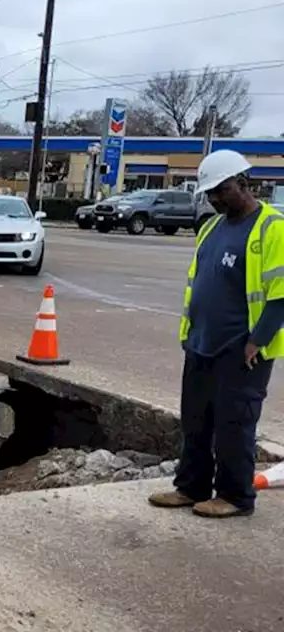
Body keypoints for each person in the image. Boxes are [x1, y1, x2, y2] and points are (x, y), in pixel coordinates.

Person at [149, 149, 284, 518]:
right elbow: (200, 285)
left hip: (243, 349)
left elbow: (279, 295)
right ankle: (190, 488)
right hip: (202, 343)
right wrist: (189, 332)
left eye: (220, 190)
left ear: (243, 183)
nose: (214, 199)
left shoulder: (272, 228)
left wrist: (258, 339)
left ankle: (236, 496)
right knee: (195, 421)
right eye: (209, 193)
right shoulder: (210, 227)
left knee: (233, 424)